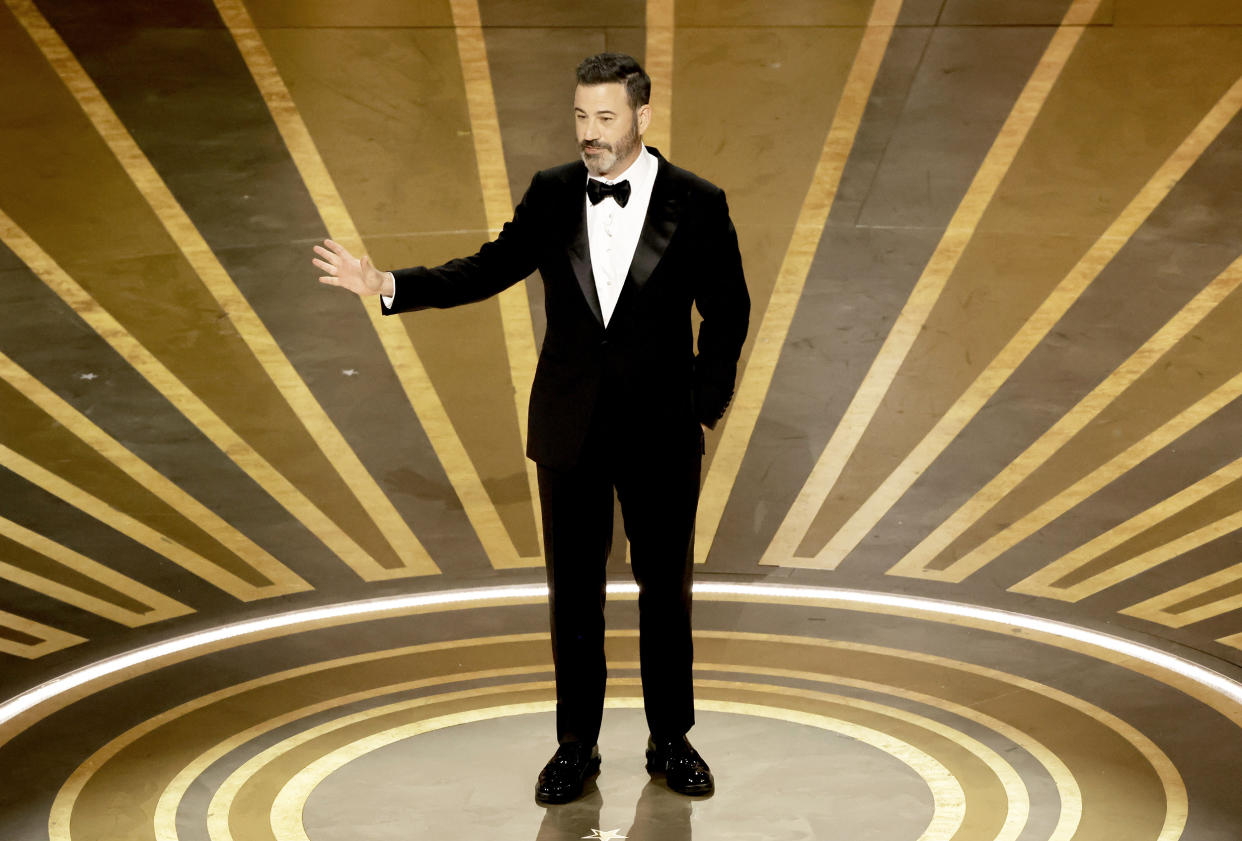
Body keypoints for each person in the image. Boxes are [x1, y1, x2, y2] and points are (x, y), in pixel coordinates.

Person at [313, 52, 749, 804]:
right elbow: (488, 267)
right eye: (581, 117)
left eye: (606, 118)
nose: (590, 133)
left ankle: (670, 737)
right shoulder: (552, 194)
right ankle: (575, 745)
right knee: (572, 594)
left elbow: (729, 308)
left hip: (659, 431)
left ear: (643, 117)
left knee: (663, 591)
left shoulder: (698, 201)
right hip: (569, 429)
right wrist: (387, 285)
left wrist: (700, 404)